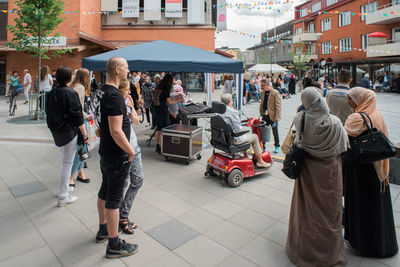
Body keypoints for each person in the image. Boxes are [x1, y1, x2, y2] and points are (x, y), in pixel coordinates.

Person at [286, 87, 348, 267]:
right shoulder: (335, 122)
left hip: (308, 171)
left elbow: (298, 141)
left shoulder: (301, 119)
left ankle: (304, 251)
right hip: (330, 171)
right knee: (330, 211)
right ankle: (329, 253)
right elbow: (344, 146)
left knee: (307, 211)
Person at [344, 87, 398, 258]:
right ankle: (382, 243)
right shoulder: (377, 114)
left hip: (361, 168)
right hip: (378, 169)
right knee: (376, 207)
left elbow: (344, 138)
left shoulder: (356, 118)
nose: (349, 102)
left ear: (361, 100)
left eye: (351, 99)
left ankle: (364, 243)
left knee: (362, 205)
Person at [95, 57, 139, 259]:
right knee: (114, 198)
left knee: (105, 191)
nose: (129, 71)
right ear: (118, 70)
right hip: (116, 155)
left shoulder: (102, 90)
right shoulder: (113, 96)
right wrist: (130, 151)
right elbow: (115, 131)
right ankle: (114, 244)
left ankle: (104, 229)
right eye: (127, 68)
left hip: (106, 152)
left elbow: (100, 124)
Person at [45, 66, 87, 207]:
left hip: (57, 131)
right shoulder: (70, 93)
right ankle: (63, 196)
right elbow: (77, 115)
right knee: (67, 164)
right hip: (69, 132)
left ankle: (64, 190)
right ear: (69, 78)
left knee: (65, 162)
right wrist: (84, 133)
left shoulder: (52, 93)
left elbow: (48, 113)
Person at [117, 79, 143, 235]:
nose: (129, 93)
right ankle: (122, 216)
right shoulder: (116, 104)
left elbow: (137, 121)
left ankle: (122, 214)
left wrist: (132, 106)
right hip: (127, 148)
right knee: (126, 182)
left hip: (132, 146)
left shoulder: (126, 103)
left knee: (136, 180)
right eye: (127, 90)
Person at [220, 94, 271, 168]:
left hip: (223, 137)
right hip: (233, 139)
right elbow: (238, 128)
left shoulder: (219, 110)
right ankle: (260, 161)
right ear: (230, 101)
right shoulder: (232, 112)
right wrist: (244, 127)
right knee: (254, 137)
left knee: (245, 136)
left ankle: (245, 155)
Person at [68, 68, 92, 191]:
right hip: (79, 122)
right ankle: (71, 176)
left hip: (73, 122)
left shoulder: (74, 86)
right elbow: (78, 108)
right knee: (80, 149)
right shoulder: (81, 88)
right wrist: (87, 116)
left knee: (82, 149)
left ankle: (81, 173)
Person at [153, 74, 182, 153]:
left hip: (156, 109)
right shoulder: (165, 88)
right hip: (162, 110)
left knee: (159, 128)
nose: (173, 81)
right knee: (165, 129)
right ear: (169, 80)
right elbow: (169, 101)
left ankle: (158, 146)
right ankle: (164, 148)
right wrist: (178, 100)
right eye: (172, 79)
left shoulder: (158, 86)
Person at [259, 79, 281, 153]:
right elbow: (262, 104)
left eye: (263, 85)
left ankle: (277, 146)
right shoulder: (262, 93)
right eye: (261, 85)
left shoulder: (275, 92)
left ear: (268, 85)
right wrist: (261, 113)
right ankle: (263, 147)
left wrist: (278, 116)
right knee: (263, 131)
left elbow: (278, 105)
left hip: (273, 115)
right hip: (264, 114)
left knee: (275, 131)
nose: (261, 87)